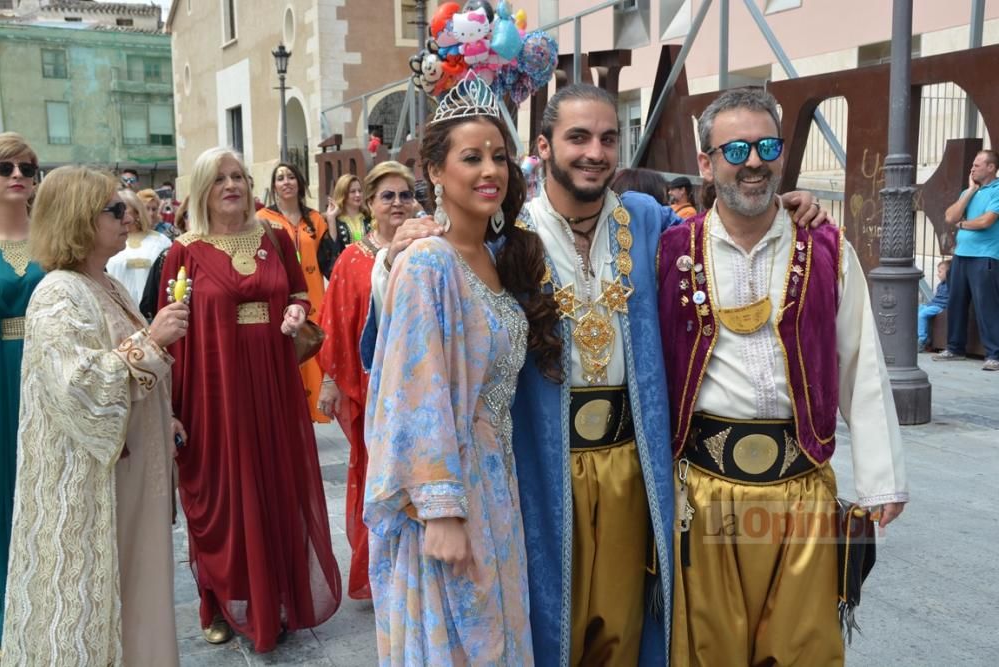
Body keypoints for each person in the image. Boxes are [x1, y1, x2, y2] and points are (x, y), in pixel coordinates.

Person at [371, 83, 829, 666]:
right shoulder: (507, 241)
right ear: (544, 146)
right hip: (541, 464)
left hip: (631, 463)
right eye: (578, 137)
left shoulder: (647, 221)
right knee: (543, 622)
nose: (595, 152)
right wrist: (391, 256)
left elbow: (722, 229)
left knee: (623, 622)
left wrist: (783, 205)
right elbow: (417, 336)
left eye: (609, 138)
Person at [658, 87, 908, 666]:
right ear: (706, 162)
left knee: (801, 650)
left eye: (767, 145)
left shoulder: (825, 247)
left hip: (801, 492)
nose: (753, 161)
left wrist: (881, 478)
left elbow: (859, 362)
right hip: (705, 490)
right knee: (708, 650)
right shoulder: (668, 249)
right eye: (736, 147)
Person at [364, 78, 556, 665]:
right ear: (435, 172)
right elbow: (412, 393)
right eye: (470, 157)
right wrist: (441, 512)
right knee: (462, 639)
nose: (489, 170)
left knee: (498, 634)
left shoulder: (496, 259)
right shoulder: (428, 263)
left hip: (497, 481)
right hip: (448, 493)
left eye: (498, 156)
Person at [2, 166, 189, 665]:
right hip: (95, 485)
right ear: (79, 220)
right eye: (114, 209)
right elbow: (79, 387)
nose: (128, 215)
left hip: (128, 479)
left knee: (138, 588)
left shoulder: (105, 284)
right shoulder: (58, 293)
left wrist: (163, 415)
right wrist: (152, 342)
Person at [159, 147, 341, 652]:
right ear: (202, 190)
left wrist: (296, 315)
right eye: (220, 179)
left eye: (238, 176)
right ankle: (216, 601)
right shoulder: (184, 251)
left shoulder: (275, 237)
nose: (232, 185)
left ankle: (276, 598)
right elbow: (172, 333)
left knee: (275, 485)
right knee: (223, 490)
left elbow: (299, 295)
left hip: (274, 382)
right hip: (214, 388)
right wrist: (172, 406)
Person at [316, 161, 414, 602]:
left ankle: (412, 568)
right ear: (370, 204)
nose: (397, 204)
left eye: (405, 195)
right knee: (373, 474)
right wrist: (332, 382)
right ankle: (376, 569)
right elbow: (335, 324)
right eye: (387, 196)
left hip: (419, 388)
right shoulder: (352, 259)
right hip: (370, 390)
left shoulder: (430, 247)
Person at [0, 133, 43, 640]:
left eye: (27, 168)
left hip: (49, 378)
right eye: (4, 167)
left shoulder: (56, 240)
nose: (16, 175)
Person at [257, 162, 335, 423]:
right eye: (280, 178)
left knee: (314, 358)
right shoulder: (262, 220)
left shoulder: (315, 220)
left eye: (291, 176)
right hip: (282, 306)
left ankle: (313, 418)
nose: (286, 181)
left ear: (300, 183)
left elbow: (331, 263)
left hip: (315, 302)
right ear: (274, 186)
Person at [935, 149, 999, 370]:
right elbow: (950, 216)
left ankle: (995, 355)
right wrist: (971, 190)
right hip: (961, 256)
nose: (972, 168)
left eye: (978, 165)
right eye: (972, 164)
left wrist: (962, 224)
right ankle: (955, 348)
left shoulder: (997, 190)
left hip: (985, 257)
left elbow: (986, 221)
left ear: (991, 167)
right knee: (956, 302)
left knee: (986, 306)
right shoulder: (967, 192)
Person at [106, 189, 173, 307]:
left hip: (153, 313)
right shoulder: (107, 241)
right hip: (118, 309)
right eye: (116, 210)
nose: (120, 214)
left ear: (137, 213)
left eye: (124, 209)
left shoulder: (160, 241)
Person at [325, 173, 372, 265]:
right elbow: (332, 251)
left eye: (360, 191)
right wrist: (331, 219)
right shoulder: (335, 220)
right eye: (353, 191)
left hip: (369, 269)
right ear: (343, 194)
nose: (358, 195)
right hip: (346, 269)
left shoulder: (368, 217)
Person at [919, 259, 951, 351]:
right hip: (933, 304)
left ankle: (922, 340)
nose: (938, 274)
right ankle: (921, 336)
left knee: (922, 314)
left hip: (941, 307)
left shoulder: (950, 283)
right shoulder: (940, 285)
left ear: (948, 273)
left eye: (940, 272)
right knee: (919, 309)